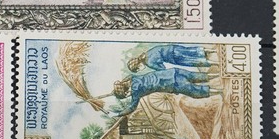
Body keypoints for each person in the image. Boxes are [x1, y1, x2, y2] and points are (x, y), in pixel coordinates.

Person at [93, 67, 221, 118]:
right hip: (172, 72)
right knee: (195, 76)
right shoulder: (133, 78)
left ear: (125, 92)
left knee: (195, 92)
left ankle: (219, 92)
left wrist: (117, 114)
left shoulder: (136, 91)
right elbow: (128, 78)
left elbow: (132, 107)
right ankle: (218, 75)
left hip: (172, 83)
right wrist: (118, 87)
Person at [128, 44, 217, 73]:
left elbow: (162, 69)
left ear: (138, 66)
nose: (141, 70)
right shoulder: (146, 53)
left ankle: (215, 63)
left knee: (191, 61)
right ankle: (213, 51)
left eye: (138, 70)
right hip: (172, 48)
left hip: (173, 57)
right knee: (191, 50)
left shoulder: (149, 63)